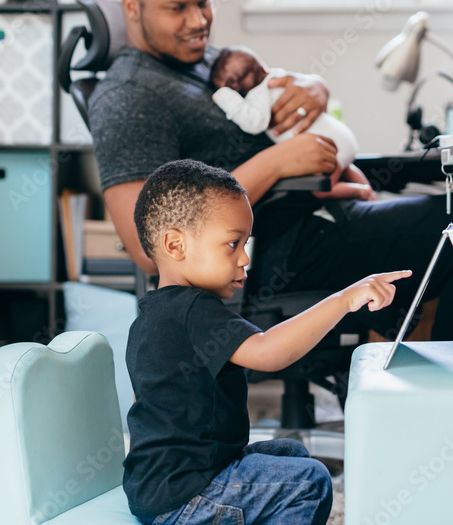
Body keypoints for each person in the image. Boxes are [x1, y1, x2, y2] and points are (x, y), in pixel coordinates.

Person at [89, 0, 453, 342]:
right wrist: (278, 163)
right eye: (177, 8)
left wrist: (313, 88)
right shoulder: (130, 95)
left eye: (204, 2)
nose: (199, 20)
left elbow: (278, 94)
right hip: (273, 252)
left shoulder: (206, 61)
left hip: (316, 212)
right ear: (132, 7)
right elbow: (147, 247)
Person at [123, 158, 410, 524]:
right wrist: (343, 300)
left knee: (290, 454)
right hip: (185, 496)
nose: (245, 258)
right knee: (309, 481)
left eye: (246, 243)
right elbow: (269, 352)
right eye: (232, 244)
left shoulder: (152, 314)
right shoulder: (193, 308)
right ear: (176, 245)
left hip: (159, 489)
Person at [210, 44, 371, 200]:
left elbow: (254, 124)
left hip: (329, 146)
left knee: (322, 190)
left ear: (235, 87)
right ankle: (370, 192)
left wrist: (225, 97)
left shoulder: (259, 94)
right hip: (341, 135)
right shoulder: (277, 76)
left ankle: (361, 192)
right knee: (346, 167)